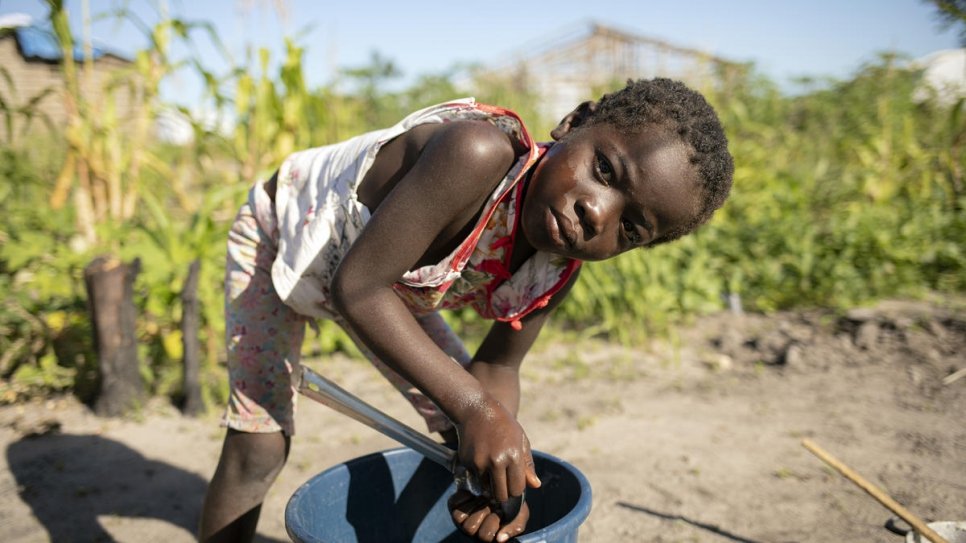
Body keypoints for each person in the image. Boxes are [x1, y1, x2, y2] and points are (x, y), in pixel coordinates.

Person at [198, 77, 734, 543]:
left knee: (473, 438)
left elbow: (498, 370)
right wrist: (479, 413)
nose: (597, 211)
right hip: (284, 236)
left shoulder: (553, 269)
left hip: (386, 284)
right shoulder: (477, 153)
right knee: (259, 444)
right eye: (604, 170)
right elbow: (358, 289)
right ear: (574, 121)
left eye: (631, 226)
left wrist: (496, 479)